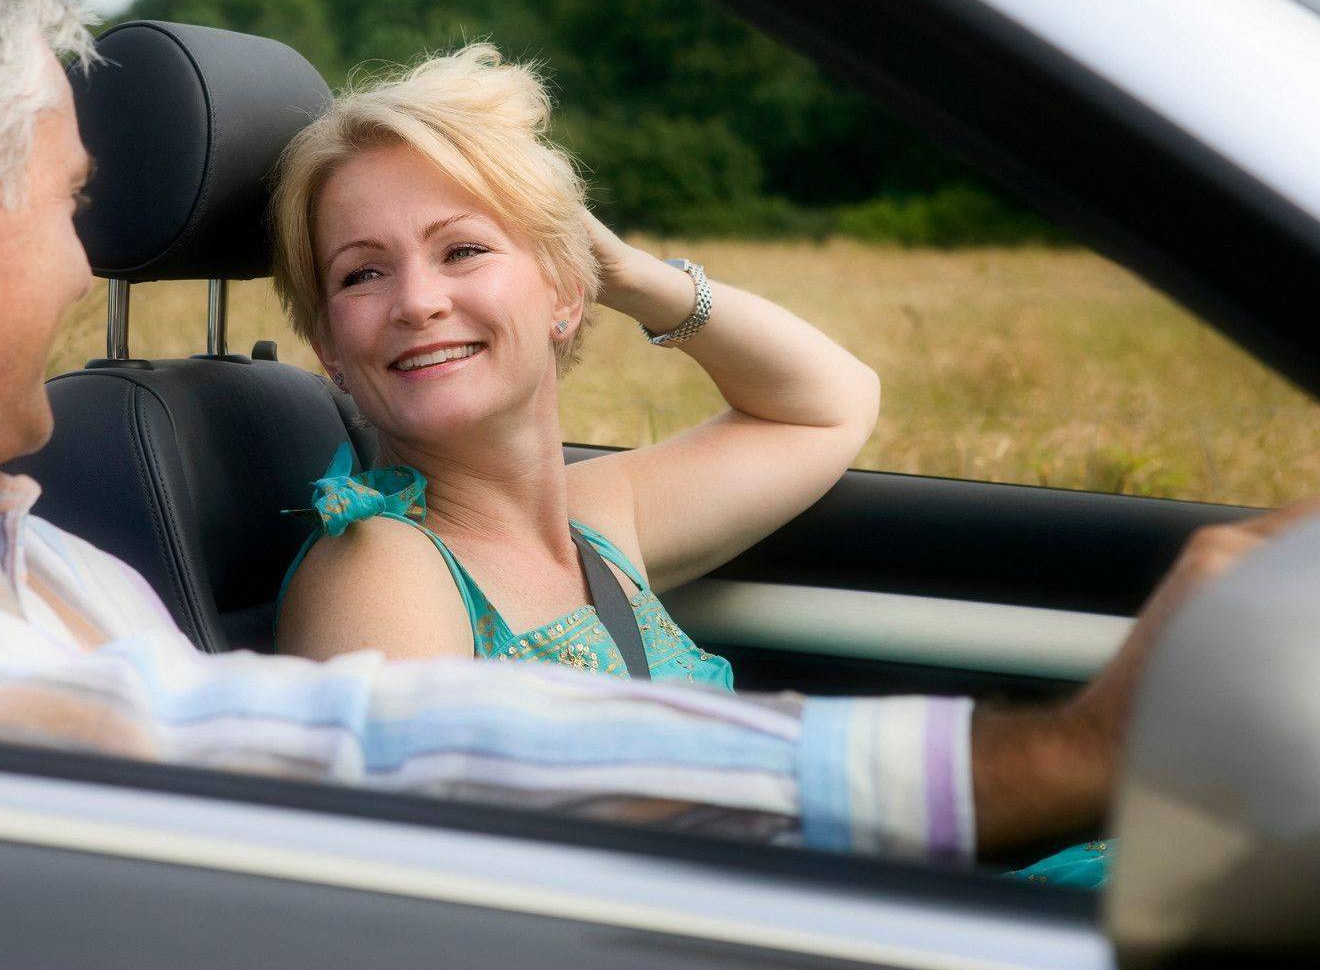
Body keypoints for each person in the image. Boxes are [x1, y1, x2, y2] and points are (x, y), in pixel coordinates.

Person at [0, 0, 1320, 874]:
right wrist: (1043, 764)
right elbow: (299, 756)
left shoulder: (49, 569)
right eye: (79, 199)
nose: (94, 263)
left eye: (476, 253)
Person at [272, 47, 877, 690]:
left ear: (563, 290)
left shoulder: (596, 519)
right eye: (362, 273)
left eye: (463, 250)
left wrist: (631, 276)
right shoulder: (381, 571)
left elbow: (832, 405)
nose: (419, 302)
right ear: (327, 343)